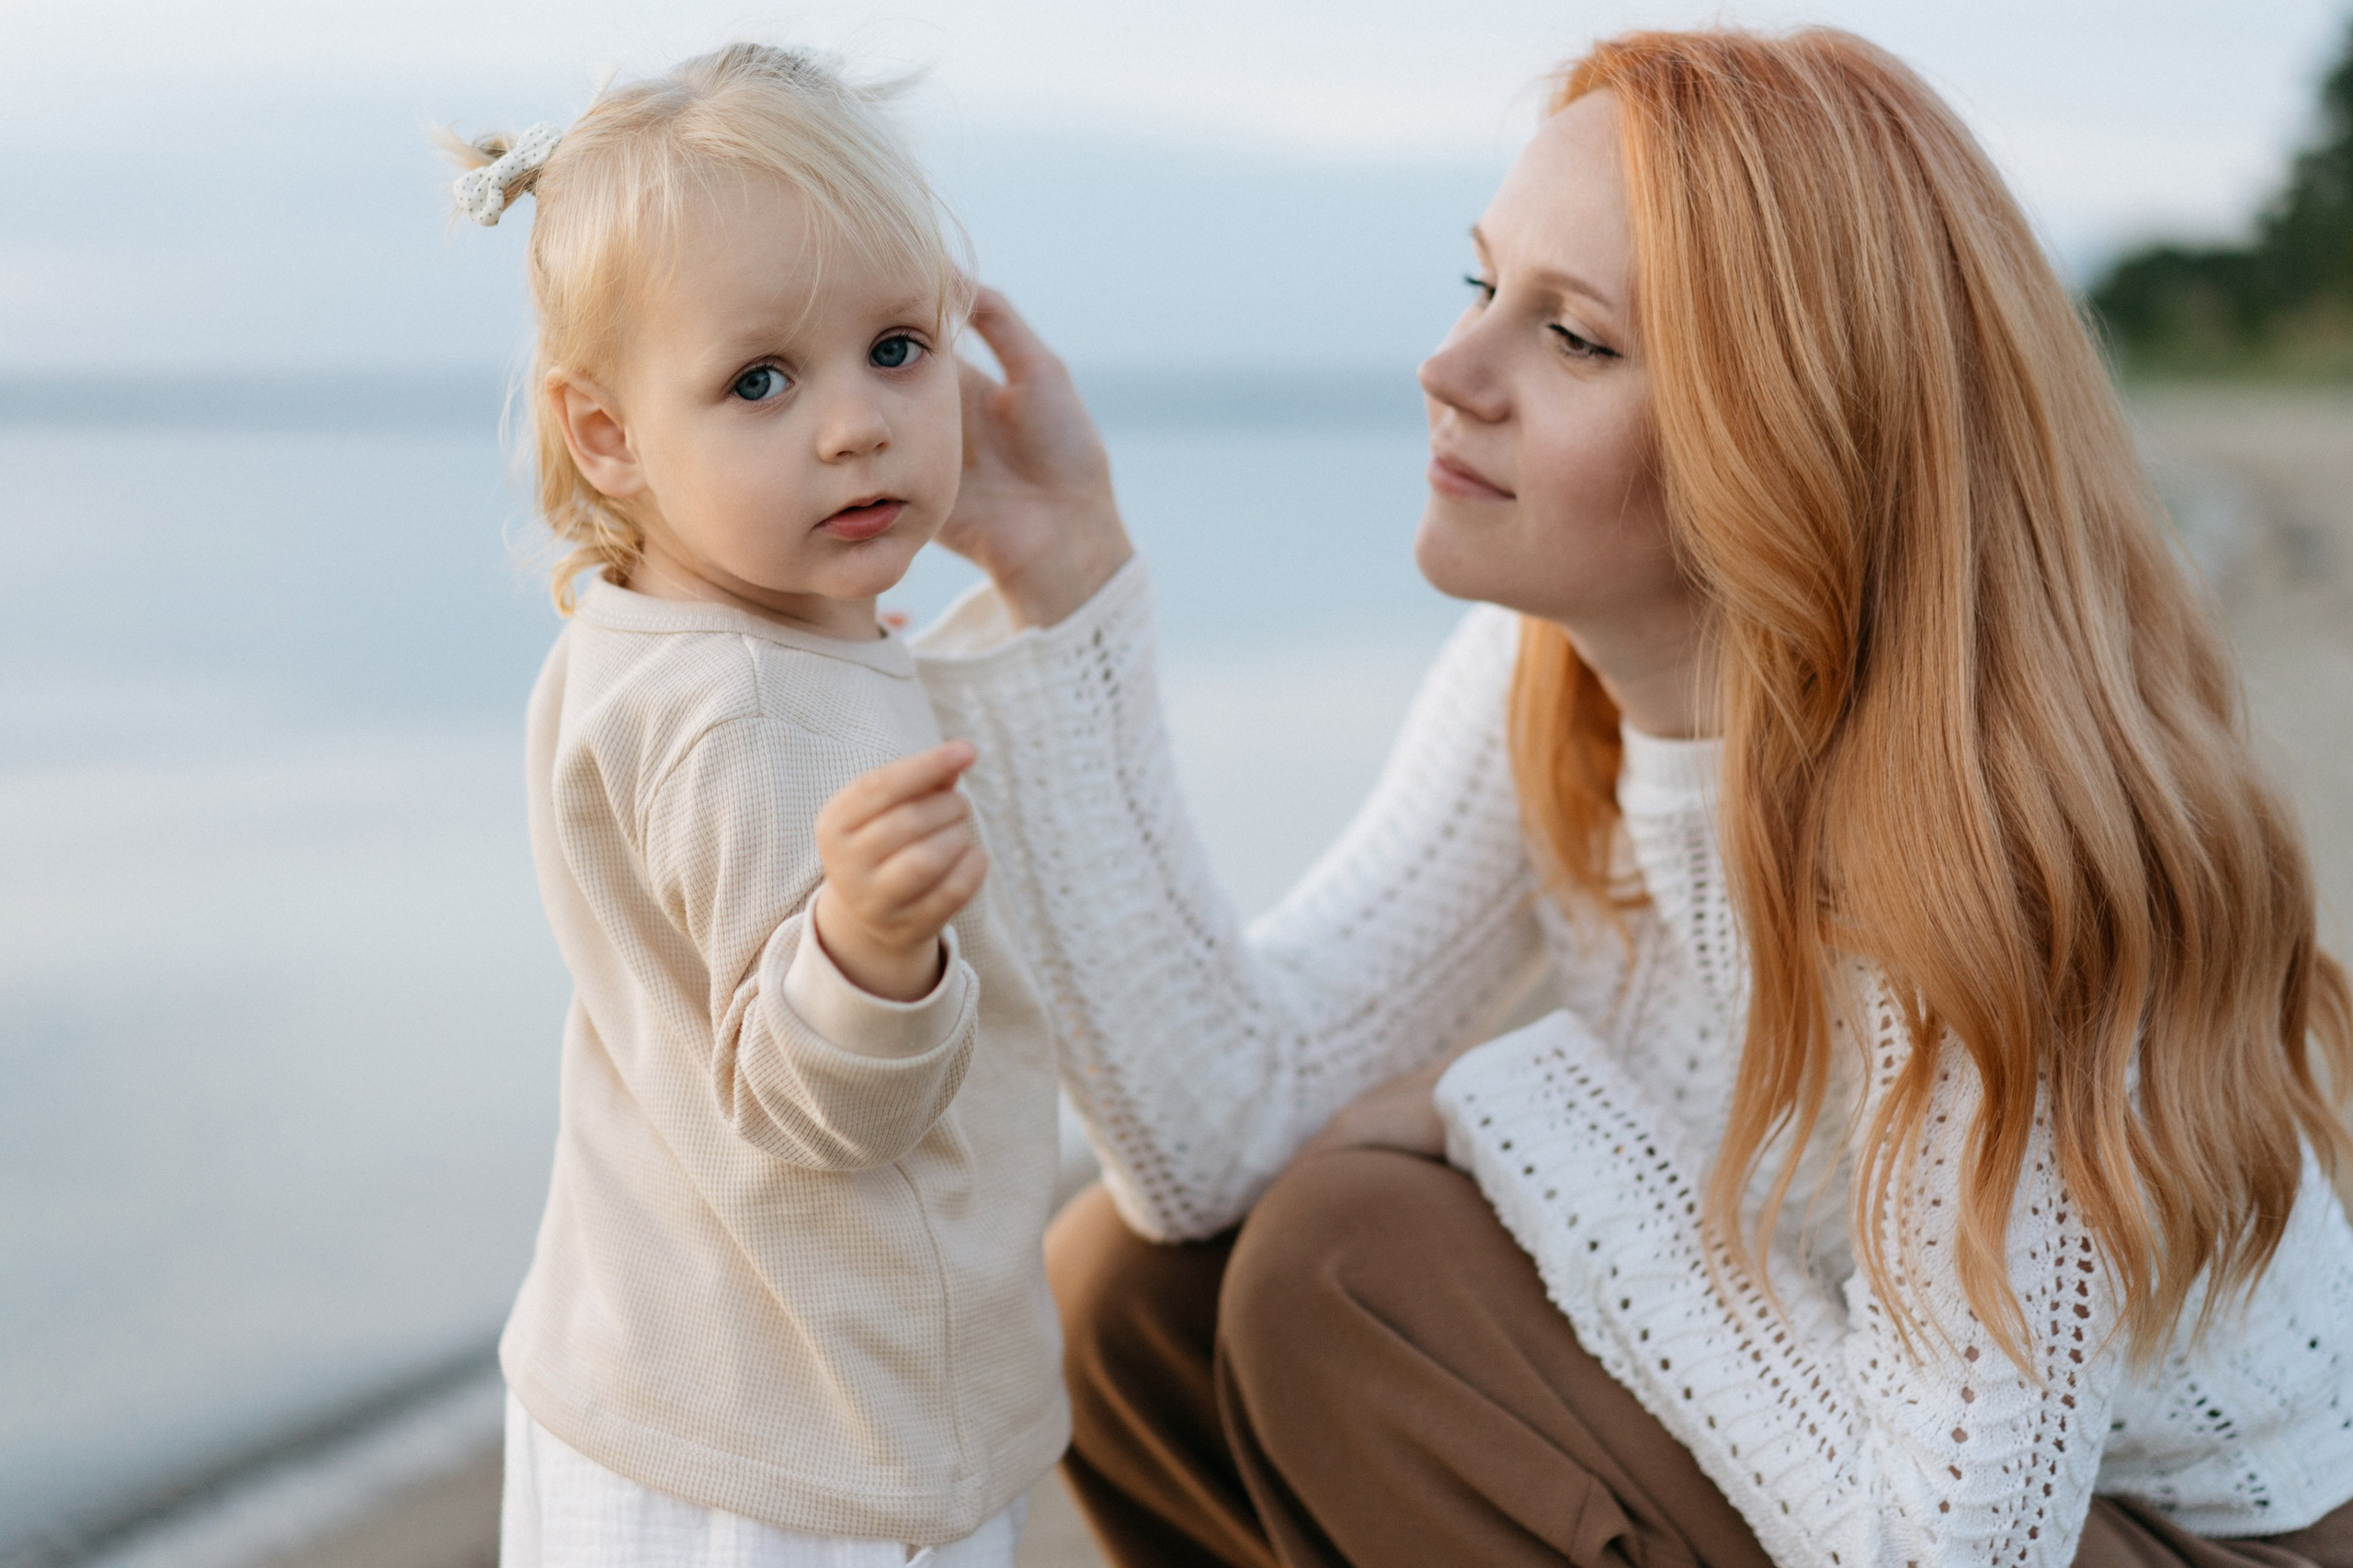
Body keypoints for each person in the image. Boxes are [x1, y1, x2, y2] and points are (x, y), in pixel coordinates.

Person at [916, 27, 2353, 1568]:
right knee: (1142, 1290)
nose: (1448, 370)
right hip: (1886, 1472)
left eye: (1574, 340)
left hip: (2160, 1538)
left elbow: (1945, 1551)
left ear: (1785, 440)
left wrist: (1518, 1107)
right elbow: (1220, 1131)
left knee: (1346, 1265)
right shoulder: (1548, 684)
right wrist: (1059, 577)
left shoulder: (1984, 852)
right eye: (1481, 287)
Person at [447, 45, 1069, 1567]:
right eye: (761, 380)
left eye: (899, 348)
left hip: (661, 1377)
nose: (853, 424)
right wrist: (867, 948)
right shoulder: (752, 715)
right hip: (805, 1456)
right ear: (605, 433)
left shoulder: (669, 630)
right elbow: (809, 1101)